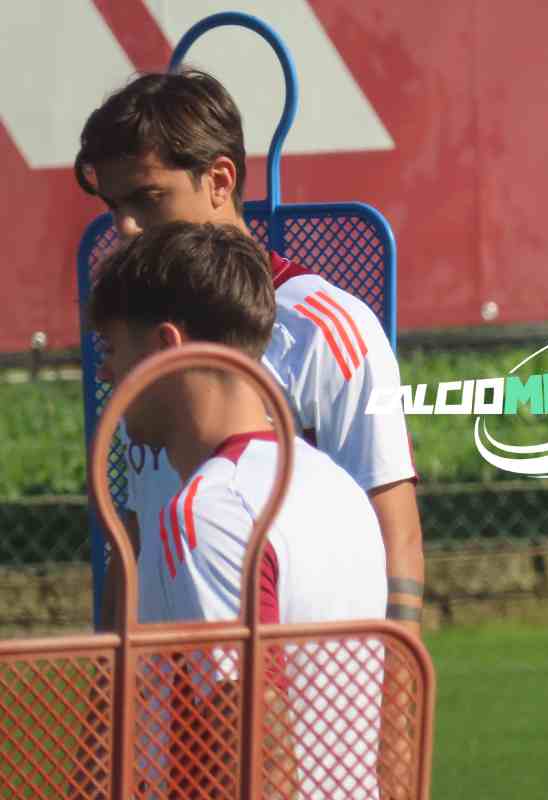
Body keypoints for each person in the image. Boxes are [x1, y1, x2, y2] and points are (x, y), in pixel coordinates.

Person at [74, 70, 424, 631]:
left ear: (219, 179)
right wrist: (108, 686)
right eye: (115, 207)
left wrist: (398, 702)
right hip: (166, 699)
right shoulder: (138, 341)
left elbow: (396, 536)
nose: (128, 228)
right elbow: (138, 531)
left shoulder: (327, 328)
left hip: (281, 693)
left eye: (147, 198)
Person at [90, 221, 387, 797]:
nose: (105, 373)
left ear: (164, 350)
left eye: (111, 348)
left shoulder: (206, 510)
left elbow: (251, 747)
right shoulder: (335, 487)